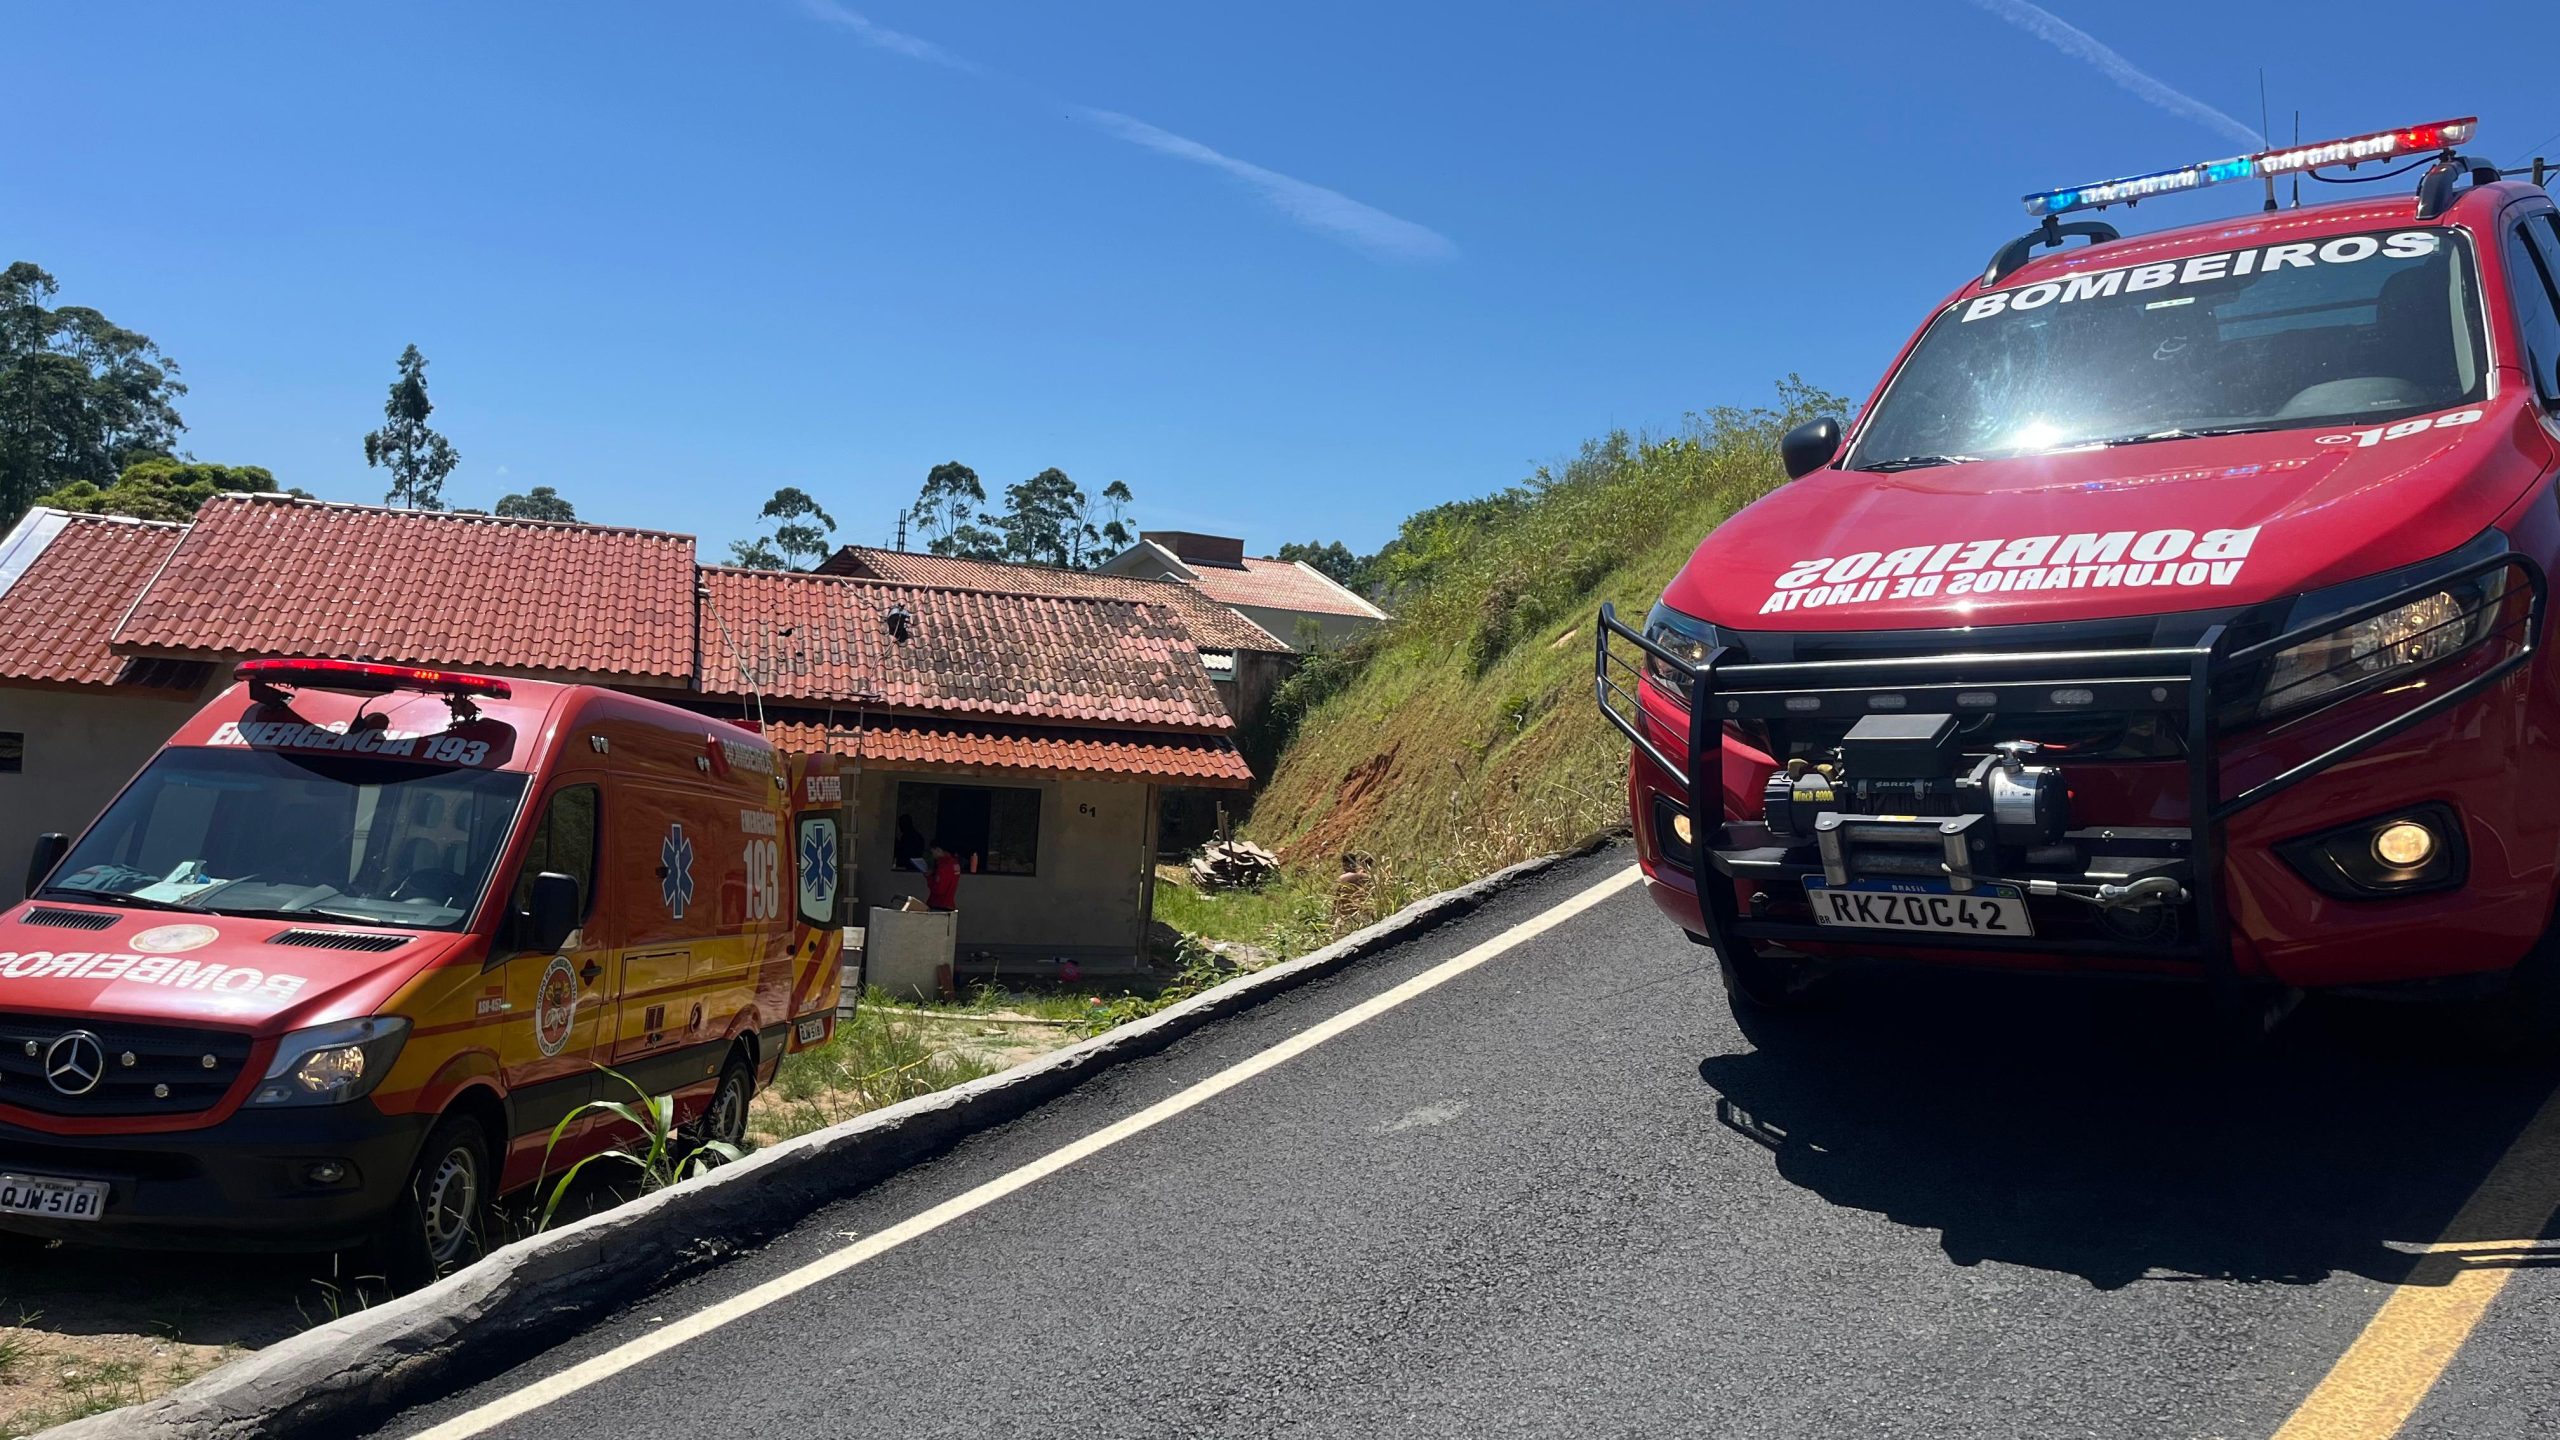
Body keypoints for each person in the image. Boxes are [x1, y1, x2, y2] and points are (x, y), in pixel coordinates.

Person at [925, 839, 960, 913]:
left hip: (938, 905)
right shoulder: (955, 863)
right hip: (949, 904)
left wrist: (929, 878)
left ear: (938, 850)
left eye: (932, 852)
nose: (933, 855)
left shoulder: (943, 866)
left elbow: (939, 889)